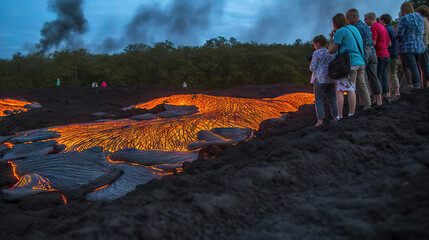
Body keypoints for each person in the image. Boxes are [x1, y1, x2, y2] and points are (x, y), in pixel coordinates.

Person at [328, 13, 366, 119]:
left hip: (348, 63)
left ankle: (340, 116)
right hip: (360, 61)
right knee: (351, 88)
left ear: (335, 23)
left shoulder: (340, 31)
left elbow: (331, 51)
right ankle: (352, 114)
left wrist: (332, 39)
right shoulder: (354, 29)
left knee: (340, 90)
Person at [346, 9, 382, 106]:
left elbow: (356, 43)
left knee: (362, 78)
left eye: (348, 17)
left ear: (354, 16)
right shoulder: (365, 26)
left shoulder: (356, 28)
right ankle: (379, 100)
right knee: (374, 77)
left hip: (364, 53)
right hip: (373, 52)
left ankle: (364, 102)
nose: (347, 19)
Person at [309, 35, 338, 127]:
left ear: (317, 43)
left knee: (319, 100)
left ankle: (320, 121)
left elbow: (312, 67)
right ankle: (336, 117)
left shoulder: (316, 53)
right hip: (331, 79)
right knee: (333, 99)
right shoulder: (331, 52)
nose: (314, 46)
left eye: (314, 44)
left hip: (320, 79)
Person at [396, 2, 425, 89]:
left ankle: (415, 87)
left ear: (403, 10)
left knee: (411, 67)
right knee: (415, 66)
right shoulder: (420, 18)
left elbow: (399, 34)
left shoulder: (404, 18)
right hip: (419, 47)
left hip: (407, 47)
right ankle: (417, 85)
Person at [365, 12, 391, 100]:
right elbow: (390, 43)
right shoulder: (383, 27)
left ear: (370, 18)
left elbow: (373, 42)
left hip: (379, 54)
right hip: (387, 54)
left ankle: (378, 98)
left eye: (365, 19)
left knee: (377, 76)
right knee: (384, 76)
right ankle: (386, 94)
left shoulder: (374, 27)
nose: (364, 21)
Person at [380, 14, 401, 99]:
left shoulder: (386, 29)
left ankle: (397, 93)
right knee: (392, 74)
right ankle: (392, 92)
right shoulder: (391, 28)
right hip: (395, 53)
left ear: (383, 21)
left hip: (391, 54)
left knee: (392, 74)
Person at [415, 5, 429, 88]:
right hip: (425, 43)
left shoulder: (423, 20)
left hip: (423, 44)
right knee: (424, 64)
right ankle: (426, 83)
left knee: (425, 64)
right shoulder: (426, 20)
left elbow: (422, 32)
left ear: (421, 12)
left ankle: (427, 83)